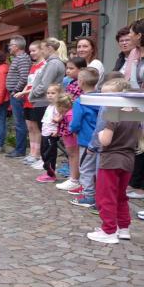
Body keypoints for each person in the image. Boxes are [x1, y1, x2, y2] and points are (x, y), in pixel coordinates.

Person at [87, 78, 140, 243]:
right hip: (128, 160)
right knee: (121, 195)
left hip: (110, 160)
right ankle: (123, 228)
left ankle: (108, 230)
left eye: (107, 95)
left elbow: (105, 141)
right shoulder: (136, 114)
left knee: (106, 196)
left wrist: (100, 134)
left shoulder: (112, 115)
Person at [24, 38, 66, 170]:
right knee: (45, 132)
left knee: (47, 134)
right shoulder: (51, 63)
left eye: (42, 48)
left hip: (43, 100)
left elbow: (45, 84)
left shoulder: (53, 63)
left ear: (49, 48)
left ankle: (47, 161)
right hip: (42, 100)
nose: (41, 52)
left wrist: (32, 94)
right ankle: (44, 159)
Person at [55, 57, 87, 192]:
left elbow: (72, 104)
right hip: (65, 121)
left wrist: (62, 114)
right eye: (67, 68)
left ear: (81, 70)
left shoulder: (79, 86)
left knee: (73, 152)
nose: (68, 71)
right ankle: (73, 177)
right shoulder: (72, 83)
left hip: (70, 122)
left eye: (71, 68)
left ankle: (74, 179)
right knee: (71, 152)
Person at [69, 68, 101, 208]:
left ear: (80, 82)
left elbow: (76, 121)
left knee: (86, 168)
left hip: (86, 140)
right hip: (101, 139)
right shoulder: (102, 99)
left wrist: (72, 129)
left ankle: (89, 196)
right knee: (98, 169)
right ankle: (98, 194)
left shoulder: (80, 101)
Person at [5, 35, 31, 158]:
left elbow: (24, 77)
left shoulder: (22, 59)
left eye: (10, 45)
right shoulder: (18, 58)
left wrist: (15, 90)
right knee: (18, 122)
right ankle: (19, 148)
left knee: (20, 122)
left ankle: (20, 150)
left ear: (16, 46)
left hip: (18, 94)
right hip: (15, 94)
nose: (9, 47)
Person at [37, 85, 67, 183]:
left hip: (51, 134)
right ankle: (48, 172)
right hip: (45, 133)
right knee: (43, 153)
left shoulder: (58, 107)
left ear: (59, 94)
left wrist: (57, 130)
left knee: (49, 155)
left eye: (53, 93)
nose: (50, 95)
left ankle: (51, 174)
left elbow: (62, 120)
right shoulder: (50, 106)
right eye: (48, 93)